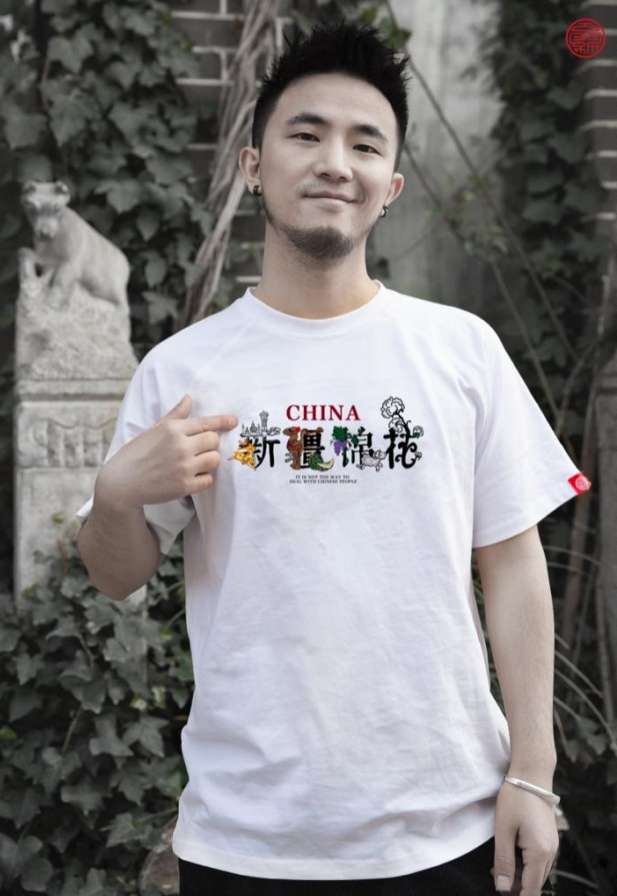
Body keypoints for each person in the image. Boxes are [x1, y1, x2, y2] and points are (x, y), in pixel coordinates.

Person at [75, 17, 592, 896]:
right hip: (245, 841)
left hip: (447, 829)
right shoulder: (184, 370)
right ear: (253, 165)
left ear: (390, 187)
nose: (335, 163)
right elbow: (116, 575)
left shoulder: (460, 350)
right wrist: (116, 494)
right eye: (306, 134)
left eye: (365, 144)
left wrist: (533, 776)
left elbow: (512, 563)